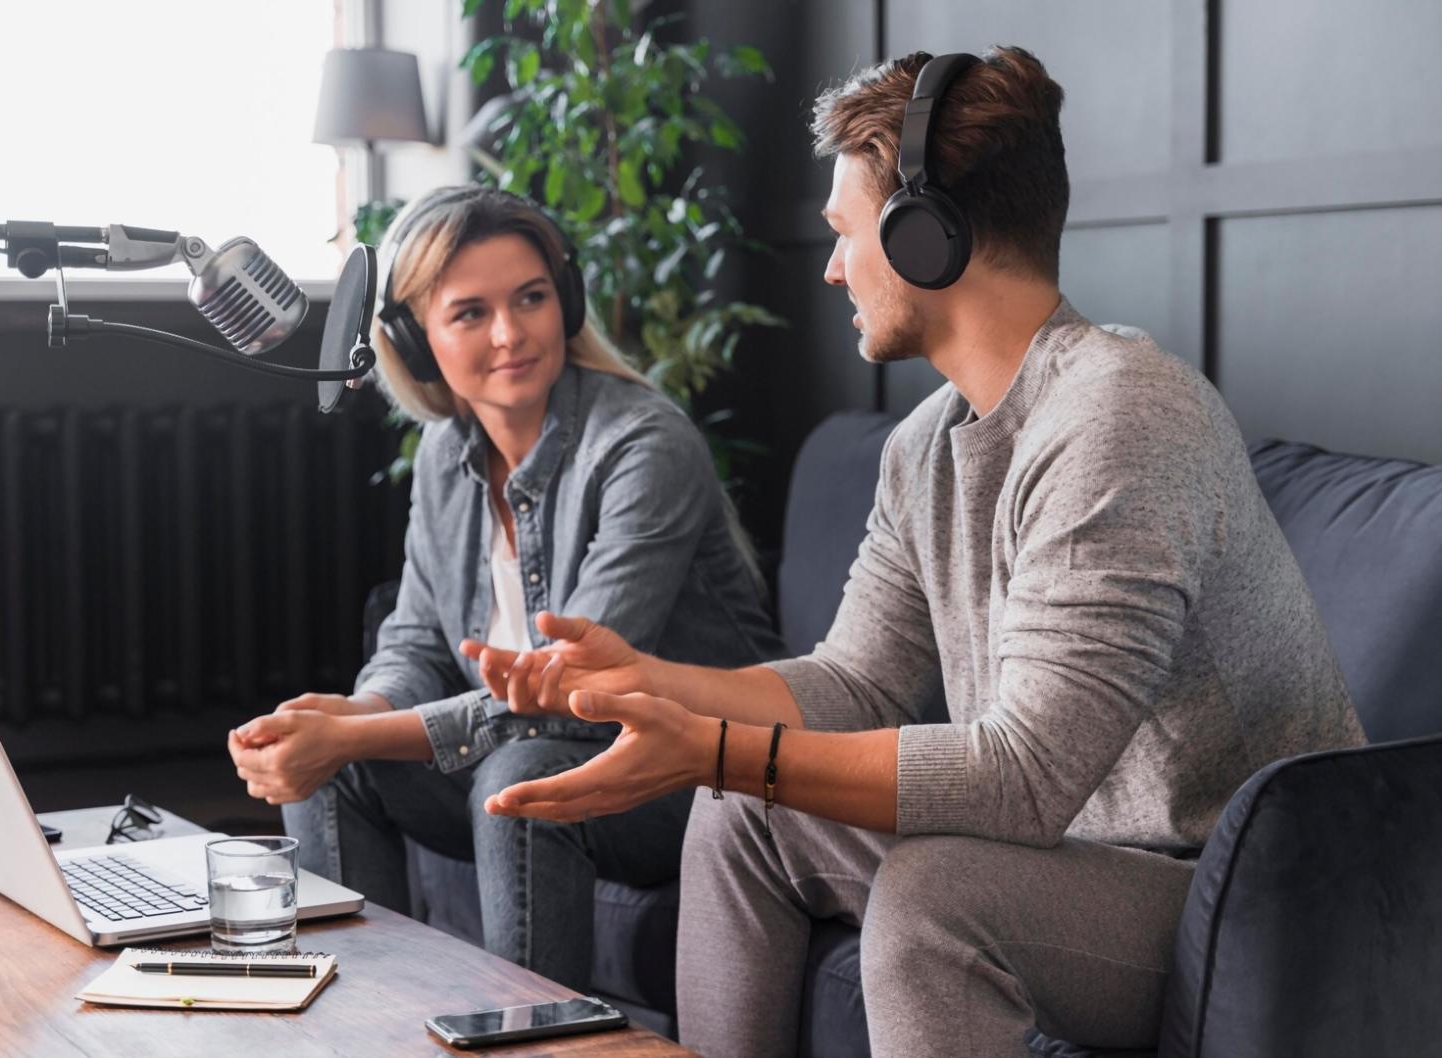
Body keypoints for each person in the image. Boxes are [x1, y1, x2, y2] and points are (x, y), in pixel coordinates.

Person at [461, 48, 1367, 1056]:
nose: (831, 267)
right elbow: (855, 679)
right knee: (743, 811)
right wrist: (655, 682)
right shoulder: (924, 444)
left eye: (846, 234)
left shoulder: (1123, 414)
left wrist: (712, 744)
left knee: (933, 894)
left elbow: (1024, 775)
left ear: (926, 236)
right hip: (1070, 855)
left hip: (1235, 893)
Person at [226, 185, 784, 992]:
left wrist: (361, 732)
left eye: (531, 298)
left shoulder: (644, 445)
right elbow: (416, 639)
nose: (511, 334)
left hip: (691, 771)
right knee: (333, 765)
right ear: (416, 345)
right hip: (535, 748)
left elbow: (568, 689)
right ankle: (362, 1034)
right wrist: (359, 714)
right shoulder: (445, 457)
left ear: (567, 301)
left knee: (519, 774)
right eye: (470, 313)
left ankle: (537, 1042)